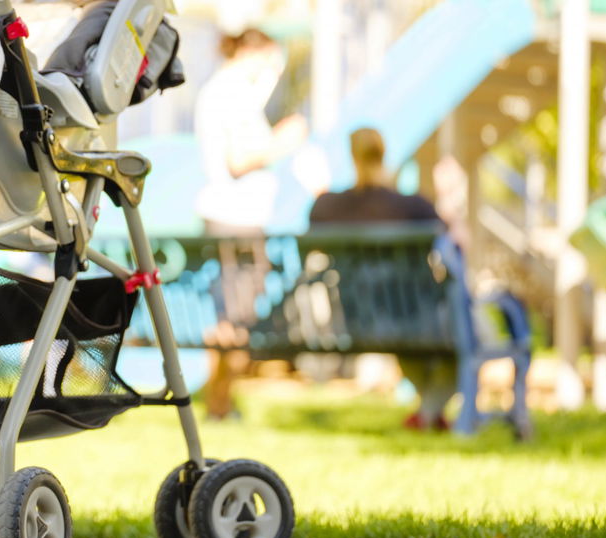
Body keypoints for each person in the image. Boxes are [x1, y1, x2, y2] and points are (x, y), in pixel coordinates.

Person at [194, 28, 306, 420]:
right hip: (237, 219)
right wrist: (283, 141)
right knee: (235, 321)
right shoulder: (231, 92)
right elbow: (238, 159)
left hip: (234, 218)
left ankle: (220, 403)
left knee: (232, 317)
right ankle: (219, 405)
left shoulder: (224, 90)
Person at [309, 128, 453, 430]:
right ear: (383, 153)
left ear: (353, 156)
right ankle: (429, 412)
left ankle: (427, 414)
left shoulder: (328, 207)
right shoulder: (415, 207)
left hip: (359, 318)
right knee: (469, 332)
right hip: (413, 317)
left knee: (413, 342)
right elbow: (452, 246)